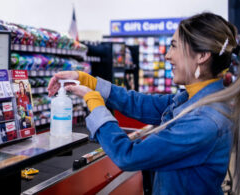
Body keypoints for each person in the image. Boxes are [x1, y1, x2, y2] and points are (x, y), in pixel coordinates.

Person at [48, 12, 240, 194]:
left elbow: (128, 155)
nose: (167, 56)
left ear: (202, 56)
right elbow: (140, 103)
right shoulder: (192, 98)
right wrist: (87, 81)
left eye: (174, 46)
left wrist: (95, 104)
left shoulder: (204, 120)